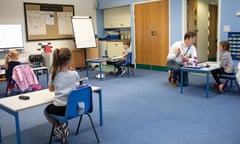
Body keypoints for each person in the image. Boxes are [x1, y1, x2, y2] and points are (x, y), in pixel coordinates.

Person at [44, 48, 80, 142]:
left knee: (46, 110)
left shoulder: (53, 74)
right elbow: (77, 85)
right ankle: (62, 128)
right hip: (74, 108)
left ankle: (60, 126)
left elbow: (51, 89)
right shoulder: (74, 74)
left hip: (60, 109)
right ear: (70, 60)